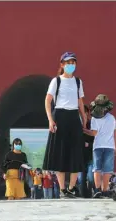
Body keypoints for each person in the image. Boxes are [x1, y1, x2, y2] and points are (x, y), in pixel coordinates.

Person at [43, 52, 86, 198]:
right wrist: (50, 119)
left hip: (74, 117)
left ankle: (71, 188)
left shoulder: (78, 82)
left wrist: (84, 118)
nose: (71, 65)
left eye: (73, 62)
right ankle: (62, 189)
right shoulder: (56, 81)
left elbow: (80, 102)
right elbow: (48, 100)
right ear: (62, 64)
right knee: (60, 153)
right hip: (60, 116)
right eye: (68, 63)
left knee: (75, 153)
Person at [84, 94, 116, 198]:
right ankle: (104, 190)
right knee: (107, 170)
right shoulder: (112, 118)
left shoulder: (94, 119)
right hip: (110, 146)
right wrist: (115, 146)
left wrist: (84, 130)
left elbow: (93, 133)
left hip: (98, 146)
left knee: (97, 168)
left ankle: (97, 190)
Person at [78, 105, 95, 198]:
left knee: (90, 178)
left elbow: (97, 140)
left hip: (90, 156)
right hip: (80, 158)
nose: (81, 114)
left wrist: (89, 144)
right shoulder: (76, 127)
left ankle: (89, 195)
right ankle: (83, 196)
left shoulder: (92, 125)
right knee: (80, 179)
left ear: (88, 113)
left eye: (83, 112)